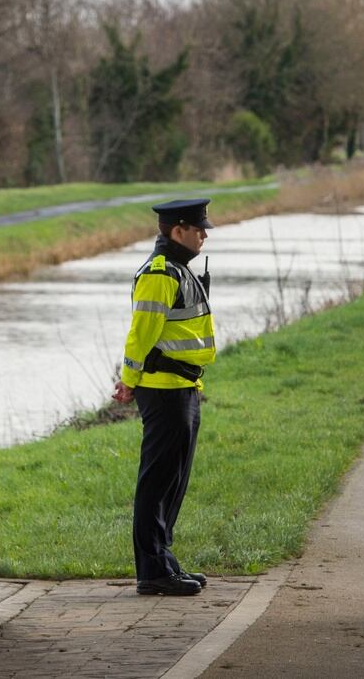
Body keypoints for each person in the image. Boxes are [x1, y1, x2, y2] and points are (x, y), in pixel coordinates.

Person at [111, 198, 217, 596]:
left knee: (174, 480)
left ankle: (164, 560)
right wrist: (128, 380)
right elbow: (141, 334)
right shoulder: (159, 274)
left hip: (183, 387)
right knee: (157, 481)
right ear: (178, 231)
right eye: (199, 228)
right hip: (163, 390)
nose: (204, 234)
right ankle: (152, 571)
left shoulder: (178, 270)